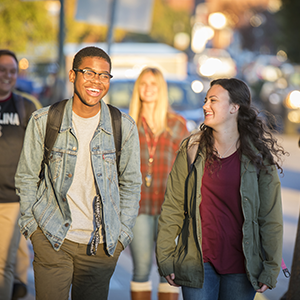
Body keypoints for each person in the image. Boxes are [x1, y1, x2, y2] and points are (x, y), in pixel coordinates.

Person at [15, 46, 142, 300]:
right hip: (52, 239)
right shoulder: (44, 120)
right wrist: (33, 229)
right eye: (89, 73)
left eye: (104, 75)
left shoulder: (123, 126)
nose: (97, 81)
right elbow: (27, 176)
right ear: (73, 76)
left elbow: (131, 184)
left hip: (101, 247)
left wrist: (121, 238)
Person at [156, 78, 285, 300]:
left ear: (235, 108)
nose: (205, 105)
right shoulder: (191, 149)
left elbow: (270, 217)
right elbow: (173, 207)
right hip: (197, 262)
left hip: (242, 266)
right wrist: (165, 257)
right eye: (206, 100)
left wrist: (271, 267)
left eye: (213, 100)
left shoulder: (258, 158)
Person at [128, 67, 189, 300]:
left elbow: (190, 167)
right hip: (139, 207)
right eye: (143, 83)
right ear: (138, 89)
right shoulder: (128, 124)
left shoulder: (177, 124)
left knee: (169, 272)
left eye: (154, 84)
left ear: (161, 89)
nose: (148, 88)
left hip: (170, 210)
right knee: (141, 269)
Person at [0, 49, 39, 300]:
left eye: (12, 71)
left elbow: (37, 153)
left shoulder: (26, 107)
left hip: (11, 198)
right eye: (2, 70)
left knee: (3, 263)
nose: (7, 75)